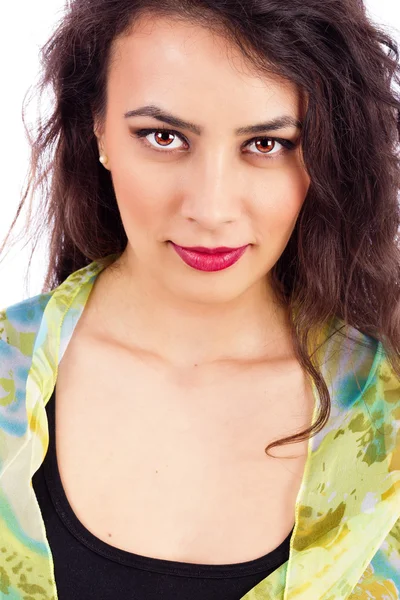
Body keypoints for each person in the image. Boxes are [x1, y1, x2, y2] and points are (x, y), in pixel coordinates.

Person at [1, 0, 400, 598]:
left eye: (267, 144)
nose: (211, 209)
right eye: (162, 137)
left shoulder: (389, 408)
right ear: (99, 127)